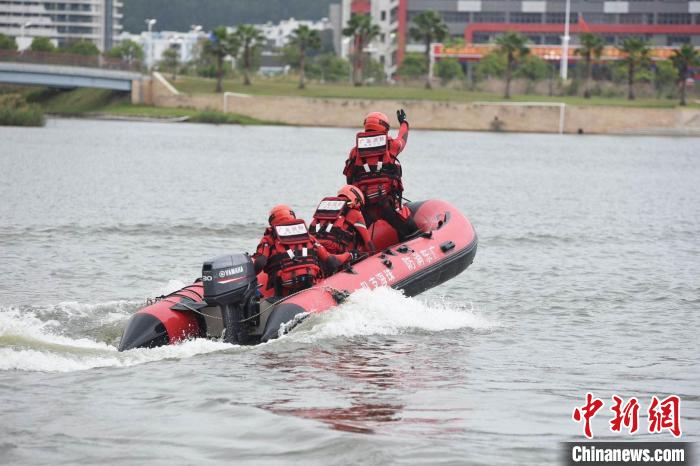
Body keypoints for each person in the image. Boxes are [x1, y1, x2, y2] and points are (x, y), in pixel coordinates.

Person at [342, 109, 417, 239]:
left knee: (357, 239)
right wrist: (404, 122)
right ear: (385, 127)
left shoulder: (355, 152)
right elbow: (402, 139)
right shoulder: (391, 145)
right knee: (412, 231)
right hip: (387, 203)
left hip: (366, 207)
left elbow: (349, 180)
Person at [253, 204, 352, 297]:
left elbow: (260, 263)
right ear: (293, 217)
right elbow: (330, 261)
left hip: (284, 288)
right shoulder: (309, 237)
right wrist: (349, 255)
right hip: (309, 283)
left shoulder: (269, 238)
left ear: (271, 221)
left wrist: (251, 280)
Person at [310, 185, 375, 255]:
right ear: (356, 200)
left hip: (315, 248)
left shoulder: (324, 210)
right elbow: (367, 241)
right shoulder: (356, 214)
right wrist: (373, 254)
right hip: (335, 250)